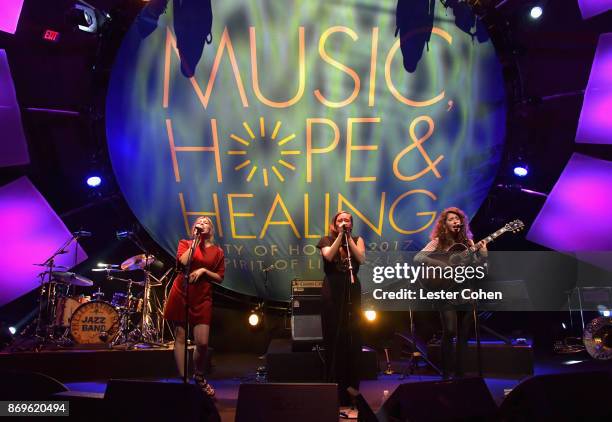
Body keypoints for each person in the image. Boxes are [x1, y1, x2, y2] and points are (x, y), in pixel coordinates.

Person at [414, 207, 487, 379]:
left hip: (465, 291)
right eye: (451, 219)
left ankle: (460, 375)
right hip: (445, 291)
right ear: (444, 224)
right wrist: (439, 264)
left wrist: (483, 256)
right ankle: (446, 374)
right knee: (450, 331)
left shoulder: (469, 243)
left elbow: (479, 269)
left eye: (458, 219)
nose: (455, 221)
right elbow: (418, 258)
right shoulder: (437, 242)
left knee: (463, 335)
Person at [163, 216, 225, 396]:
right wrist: (195, 241)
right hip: (181, 291)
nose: (203, 223)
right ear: (194, 228)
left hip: (203, 295)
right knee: (180, 336)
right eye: (200, 221)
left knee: (203, 343)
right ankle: (184, 380)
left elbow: (220, 277)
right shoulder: (185, 243)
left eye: (206, 222)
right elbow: (183, 262)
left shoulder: (218, 252)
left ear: (211, 230)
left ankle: (199, 375)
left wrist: (205, 271)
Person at [316, 211, 366, 413]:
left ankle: (352, 390)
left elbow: (361, 259)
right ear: (334, 224)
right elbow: (328, 256)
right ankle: (334, 390)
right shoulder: (326, 239)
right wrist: (339, 236)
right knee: (333, 338)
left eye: (347, 220)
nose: (344, 222)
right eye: (340, 220)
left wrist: (348, 239)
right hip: (332, 290)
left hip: (352, 289)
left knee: (352, 338)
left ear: (351, 224)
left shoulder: (357, 239)